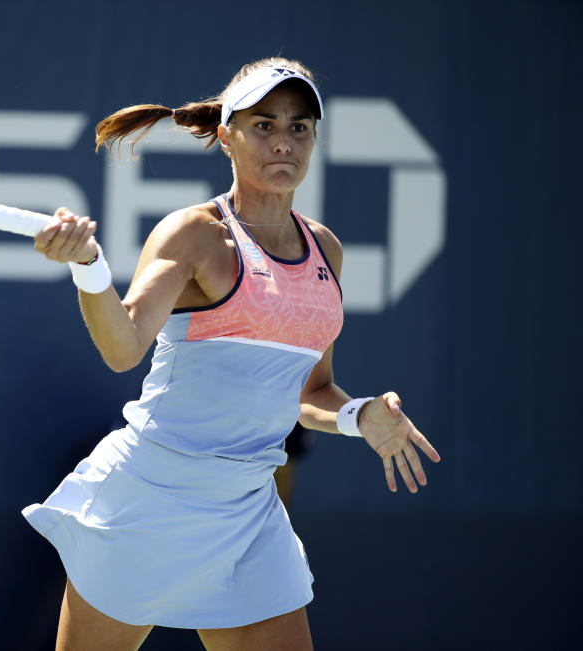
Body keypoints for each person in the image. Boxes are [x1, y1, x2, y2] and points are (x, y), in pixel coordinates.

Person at [22, 57, 441, 651]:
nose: (283, 141)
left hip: (248, 510)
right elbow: (123, 349)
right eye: (264, 124)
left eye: (299, 127)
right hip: (151, 500)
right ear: (227, 136)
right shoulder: (194, 234)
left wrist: (359, 415)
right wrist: (89, 270)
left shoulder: (325, 250)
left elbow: (309, 391)